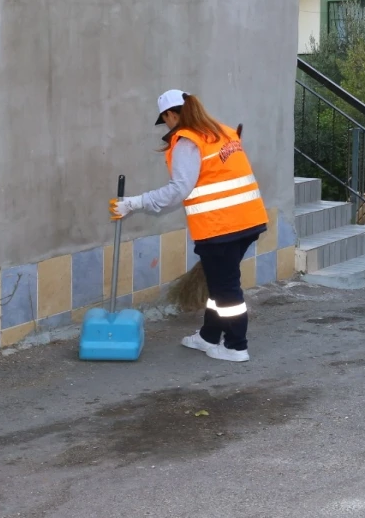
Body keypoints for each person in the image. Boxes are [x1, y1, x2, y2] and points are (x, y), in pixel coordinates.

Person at [109, 90, 269, 361]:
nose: (168, 126)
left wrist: (133, 203)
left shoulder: (188, 142)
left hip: (221, 227)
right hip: (248, 220)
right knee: (218, 284)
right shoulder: (221, 132)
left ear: (171, 114)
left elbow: (178, 189)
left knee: (227, 288)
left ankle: (236, 346)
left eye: (166, 120)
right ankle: (208, 335)